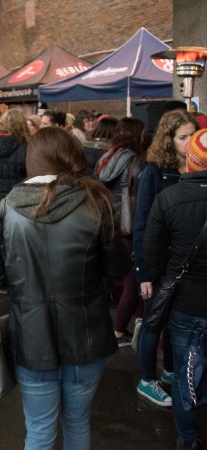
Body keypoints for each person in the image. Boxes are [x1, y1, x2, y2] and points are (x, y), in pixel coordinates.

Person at [0, 127, 129, 450]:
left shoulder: (4, 210)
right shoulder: (97, 202)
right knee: (78, 422)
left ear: (31, 162)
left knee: (39, 431)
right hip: (86, 336)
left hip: (32, 340)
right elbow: (118, 268)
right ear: (73, 157)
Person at [143, 129, 207, 450]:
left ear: (191, 162)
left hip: (185, 304)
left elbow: (152, 257)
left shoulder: (168, 198)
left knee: (185, 373)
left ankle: (189, 439)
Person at [134, 109, 198, 408]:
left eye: (191, 136)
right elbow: (142, 224)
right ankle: (147, 380)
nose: (188, 142)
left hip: (187, 265)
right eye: (182, 137)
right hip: (159, 264)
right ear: (169, 139)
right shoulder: (155, 171)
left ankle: (170, 371)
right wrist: (144, 272)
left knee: (176, 322)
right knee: (153, 322)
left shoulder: (198, 169)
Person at [95, 117, 147, 346]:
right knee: (134, 279)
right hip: (131, 225)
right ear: (137, 135)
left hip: (111, 223)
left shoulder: (107, 158)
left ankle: (139, 321)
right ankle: (118, 331)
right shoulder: (137, 161)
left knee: (130, 277)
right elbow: (141, 197)